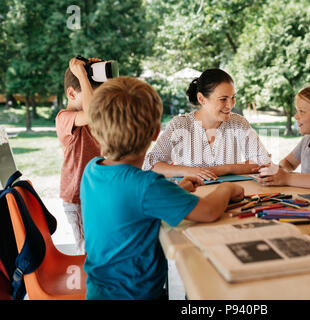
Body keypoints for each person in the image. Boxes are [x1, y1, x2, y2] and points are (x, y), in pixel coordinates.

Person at [80, 76, 244, 300]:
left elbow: (135, 206)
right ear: (156, 132)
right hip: (137, 295)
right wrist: (226, 189)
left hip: (98, 292)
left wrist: (181, 189)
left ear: (96, 130)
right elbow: (208, 212)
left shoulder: (92, 170)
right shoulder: (147, 186)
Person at [143, 68, 271, 181]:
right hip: (191, 197)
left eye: (233, 97)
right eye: (223, 99)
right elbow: (151, 165)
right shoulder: (180, 125)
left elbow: (263, 163)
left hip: (230, 197)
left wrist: (223, 169)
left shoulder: (238, 123)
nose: (230, 104)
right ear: (202, 99)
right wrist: (189, 171)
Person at [55, 57, 102, 254]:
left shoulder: (92, 114)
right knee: (88, 251)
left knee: (100, 247)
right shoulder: (64, 118)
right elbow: (92, 114)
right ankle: (89, 285)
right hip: (78, 199)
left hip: (96, 193)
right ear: (72, 93)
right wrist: (82, 75)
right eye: (91, 94)